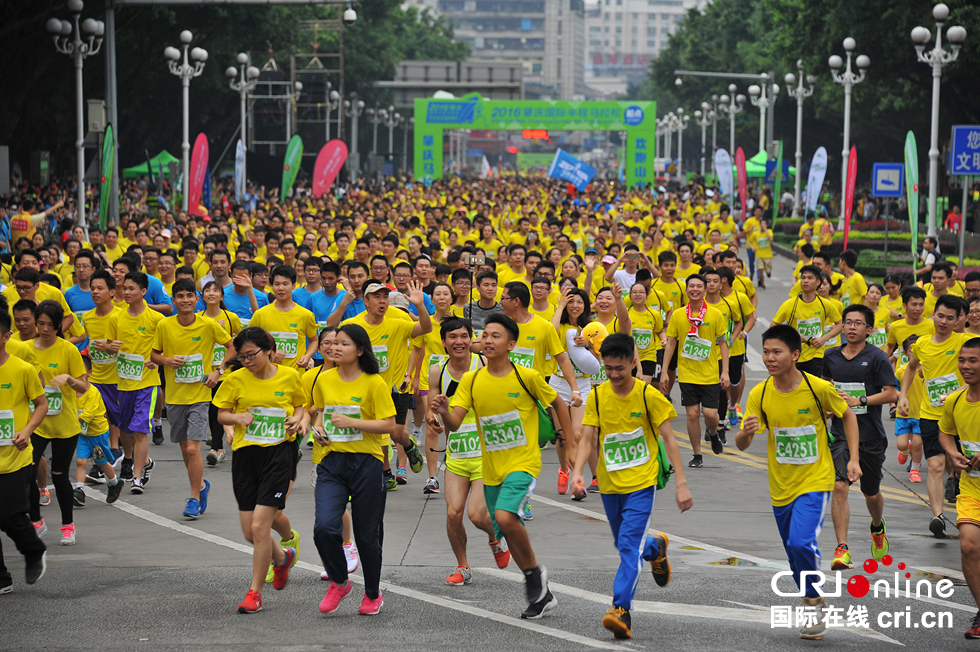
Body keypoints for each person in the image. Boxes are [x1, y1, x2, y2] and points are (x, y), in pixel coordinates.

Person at [431, 313, 574, 620]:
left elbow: (558, 404)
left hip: (523, 462)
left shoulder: (527, 377)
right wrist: (444, 411)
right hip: (492, 466)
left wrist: (571, 444)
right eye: (486, 335)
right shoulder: (471, 380)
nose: (488, 340)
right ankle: (539, 589)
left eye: (496, 336)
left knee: (504, 516)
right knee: (507, 527)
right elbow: (455, 424)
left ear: (511, 344)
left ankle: (535, 576)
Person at [735, 325, 860, 641]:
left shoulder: (817, 388)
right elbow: (741, 444)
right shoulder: (760, 393)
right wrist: (746, 432)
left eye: (777, 352)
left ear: (795, 354)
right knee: (793, 552)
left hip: (815, 479)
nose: (769, 358)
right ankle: (811, 594)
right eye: (765, 352)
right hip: (780, 487)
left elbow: (848, 414)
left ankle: (813, 602)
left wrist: (854, 459)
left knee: (801, 542)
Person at [569, 333, 692, 639]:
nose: (613, 374)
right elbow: (588, 437)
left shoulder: (648, 396)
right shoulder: (597, 396)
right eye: (608, 368)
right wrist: (577, 472)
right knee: (629, 545)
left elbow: (669, 439)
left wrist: (681, 483)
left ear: (633, 363)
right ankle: (656, 547)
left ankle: (620, 609)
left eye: (619, 368)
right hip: (610, 485)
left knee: (627, 547)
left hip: (642, 484)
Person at [214, 327, 306, 614]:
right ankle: (281, 558)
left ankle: (254, 593)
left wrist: (297, 420)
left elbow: (301, 407)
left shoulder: (289, 376)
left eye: (251, 355)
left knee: (259, 526)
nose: (246, 361)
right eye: (241, 357)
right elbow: (221, 413)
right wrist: (237, 416)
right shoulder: (235, 379)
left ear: (269, 350)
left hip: (278, 454)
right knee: (249, 533)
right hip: (245, 456)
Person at [311, 323, 394, 615]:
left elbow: (389, 424)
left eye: (343, 343)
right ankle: (339, 581)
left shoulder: (374, 383)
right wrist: (317, 429)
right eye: (333, 343)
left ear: (359, 350)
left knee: (367, 534)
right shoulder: (325, 379)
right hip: (332, 462)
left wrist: (354, 423)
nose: (335, 348)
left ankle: (372, 593)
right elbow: (320, 412)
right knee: (323, 527)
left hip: (366, 464)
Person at [425, 317, 511, 585]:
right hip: (457, 455)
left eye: (463, 336)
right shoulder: (437, 370)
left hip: (486, 456)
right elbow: (432, 407)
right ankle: (462, 567)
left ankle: (495, 535)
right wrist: (433, 418)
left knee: (476, 514)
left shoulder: (483, 364)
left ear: (471, 338)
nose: (458, 342)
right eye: (452, 337)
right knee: (453, 514)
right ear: (444, 342)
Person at [822, 304, 898, 570]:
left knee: (871, 493)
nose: (852, 327)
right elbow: (826, 388)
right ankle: (842, 548)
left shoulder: (877, 358)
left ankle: (877, 527)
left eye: (858, 323)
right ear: (841, 326)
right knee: (840, 486)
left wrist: (860, 400)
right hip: (841, 434)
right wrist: (830, 407)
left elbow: (891, 393)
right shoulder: (830, 357)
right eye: (848, 322)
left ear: (870, 329)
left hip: (871, 436)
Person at [151, 279, 234, 518]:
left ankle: (193, 498)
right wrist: (167, 361)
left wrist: (218, 370)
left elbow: (232, 347)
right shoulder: (164, 326)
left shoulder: (208, 325)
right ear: (174, 300)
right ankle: (201, 485)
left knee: (193, 449)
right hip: (175, 398)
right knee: (184, 448)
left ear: (196, 300)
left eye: (189, 295)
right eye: (180, 296)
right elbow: (154, 354)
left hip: (200, 395)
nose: (185, 300)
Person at [899, 294, 972, 539]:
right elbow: (910, 367)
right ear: (933, 315)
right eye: (940, 316)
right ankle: (938, 517)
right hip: (931, 416)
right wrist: (904, 396)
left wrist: (958, 391)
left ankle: (966, 505)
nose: (943, 321)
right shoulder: (921, 344)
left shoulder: (967, 342)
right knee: (935, 465)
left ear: (958, 320)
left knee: (965, 465)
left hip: (963, 414)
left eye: (949, 318)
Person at [27, 300, 88, 545]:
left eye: (50, 325)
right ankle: (36, 520)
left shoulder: (68, 350)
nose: (44, 329)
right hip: (36, 424)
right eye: (40, 323)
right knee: (28, 473)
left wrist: (69, 379)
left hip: (64, 425)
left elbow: (84, 387)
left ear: (58, 325)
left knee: (60, 476)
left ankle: (67, 525)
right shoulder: (26, 349)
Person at [0, 301, 48, 594]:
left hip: (15, 456)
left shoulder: (22, 368)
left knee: (9, 516)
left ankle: (33, 550)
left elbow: (41, 403)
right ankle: (2, 578)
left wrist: (28, 430)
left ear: (6, 336)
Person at [659, 274, 729, 468]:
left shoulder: (714, 314)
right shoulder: (679, 314)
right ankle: (697, 454)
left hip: (709, 374)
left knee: (710, 414)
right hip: (687, 373)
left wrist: (725, 372)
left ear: (705, 291)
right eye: (691, 286)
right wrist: (665, 371)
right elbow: (671, 342)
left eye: (699, 286)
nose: (695, 289)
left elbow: (723, 343)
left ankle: (713, 433)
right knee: (691, 414)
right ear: (686, 290)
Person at [103, 272, 164, 494]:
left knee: (139, 431)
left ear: (143, 291)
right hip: (124, 383)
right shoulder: (116, 318)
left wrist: (156, 360)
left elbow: (168, 347)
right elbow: (110, 347)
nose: (126, 292)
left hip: (147, 384)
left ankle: (137, 478)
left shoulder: (156, 319)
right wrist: (111, 347)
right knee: (127, 430)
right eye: (124, 288)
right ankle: (145, 461)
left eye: (131, 289)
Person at [937, 336, 980, 638]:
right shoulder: (954, 400)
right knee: (968, 545)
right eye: (962, 360)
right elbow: (945, 432)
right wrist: (952, 453)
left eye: (973, 361)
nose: (965, 366)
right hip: (973, 489)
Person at [551, 287, 602, 494]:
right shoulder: (561, 325)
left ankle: (578, 478)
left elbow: (597, 363)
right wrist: (560, 306)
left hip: (582, 385)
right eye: (571, 302)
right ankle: (564, 470)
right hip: (558, 384)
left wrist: (588, 345)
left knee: (580, 434)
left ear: (585, 305)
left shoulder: (590, 327)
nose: (575, 306)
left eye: (579, 302)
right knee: (563, 436)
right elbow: (548, 333)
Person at [199, 281, 243, 465]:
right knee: (211, 408)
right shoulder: (197, 317)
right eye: (207, 290)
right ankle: (219, 444)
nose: (211, 293)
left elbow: (240, 342)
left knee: (219, 407)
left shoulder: (231, 317)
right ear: (202, 296)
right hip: (205, 372)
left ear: (222, 296)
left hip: (226, 372)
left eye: (215, 290)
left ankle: (217, 448)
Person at [772, 265, 842, 378]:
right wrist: (792, 336)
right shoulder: (790, 304)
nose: (805, 281)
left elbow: (840, 324)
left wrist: (824, 338)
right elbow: (774, 326)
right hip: (794, 354)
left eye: (810, 278)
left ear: (818, 282)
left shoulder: (825, 304)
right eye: (803, 278)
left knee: (813, 389)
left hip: (816, 354)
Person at [72, 356, 123, 507]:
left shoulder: (93, 392)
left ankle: (114, 482)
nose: (77, 374)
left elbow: (88, 414)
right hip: (83, 434)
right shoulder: (70, 391)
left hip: (97, 434)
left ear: (89, 372)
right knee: (80, 461)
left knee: (100, 461)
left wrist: (70, 421)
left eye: (80, 371)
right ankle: (79, 490)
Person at [249, 266, 318, 371]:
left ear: (293, 286)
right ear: (272, 286)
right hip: (267, 374)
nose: (281, 288)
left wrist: (307, 356)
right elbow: (249, 342)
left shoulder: (305, 315)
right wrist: (270, 355)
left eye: (285, 284)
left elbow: (314, 340)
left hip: (296, 376)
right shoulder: (260, 314)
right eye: (277, 284)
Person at [895, 336, 925, 483]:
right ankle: (906, 450)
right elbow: (892, 388)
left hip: (921, 413)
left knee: (918, 443)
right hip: (904, 413)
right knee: (901, 444)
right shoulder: (901, 371)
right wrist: (900, 394)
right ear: (906, 353)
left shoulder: (927, 369)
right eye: (911, 350)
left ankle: (915, 469)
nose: (914, 353)